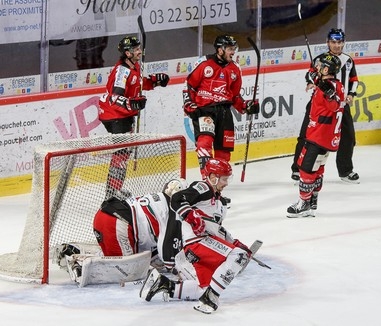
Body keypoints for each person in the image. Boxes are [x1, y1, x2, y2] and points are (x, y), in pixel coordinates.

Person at [139, 158, 253, 314]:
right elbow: (177, 198)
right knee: (239, 256)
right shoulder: (204, 187)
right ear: (213, 177)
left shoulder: (216, 201)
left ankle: (163, 284)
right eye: (224, 179)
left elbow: (215, 228)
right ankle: (210, 298)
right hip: (196, 242)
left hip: (201, 244)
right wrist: (190, 216)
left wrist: (234, 242)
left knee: (204, 287)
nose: (226, 183)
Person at [54, 178, 187, 286]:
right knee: (127, 272)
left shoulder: (158, 200)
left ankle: (76, 251)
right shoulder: (172, 212)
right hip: (117, 224)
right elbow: (167, 256)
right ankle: (79, 267)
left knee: (121, 258)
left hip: (106, 217)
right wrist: (178, 267)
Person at [98, 36, 170, 199]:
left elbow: (137, 84)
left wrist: (154, 82)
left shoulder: (134, 66)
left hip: (122, 114)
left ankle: (115, 189)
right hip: (114, 115)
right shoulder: (122, 71)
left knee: (122, 154)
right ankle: (111, 193)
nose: (139, 51)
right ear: (127, 53)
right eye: (136, 49)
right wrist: (133, 104)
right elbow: (114, 97)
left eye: (139, 48)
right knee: (121, 154)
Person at [182, 35, 260, 178]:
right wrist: (188, 103)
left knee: (223, 152)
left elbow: (235, 96)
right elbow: (189, 86)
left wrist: (246, 106)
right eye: (230, 49)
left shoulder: (235, 69)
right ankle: (207, 180)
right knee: (204, 144)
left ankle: (218, 185)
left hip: (225, 113)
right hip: (205, 111)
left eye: (234, 49)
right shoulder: (204, 63)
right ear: (220, 50)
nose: (233, 52)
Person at [290, 28, 360, 184]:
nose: (337, 45)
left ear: (343, 43)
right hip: (319, 104)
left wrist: (351, 94)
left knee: (348, 138)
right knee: (306, 135)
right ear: (328, 42)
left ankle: (345, 171)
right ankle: (297, 169)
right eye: (333, 42)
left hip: (341, 105)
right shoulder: (320, 59)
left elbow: (354, 80)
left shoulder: (348, 61)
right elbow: (309, 74)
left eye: (340, 42)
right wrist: (312, 81)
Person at [287, 54, 345, 218]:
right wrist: (316, 80)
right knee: (317, 168)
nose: (317, 68)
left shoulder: (331, 87)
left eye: (320, 66)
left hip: (319, 134)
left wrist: (329, 94)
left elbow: (334, 106)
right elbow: (311, 75)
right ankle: (313, 201)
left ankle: (303, 203)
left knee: (306, 168)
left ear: (326, 69)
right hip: (325, 136)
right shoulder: (332, 83)